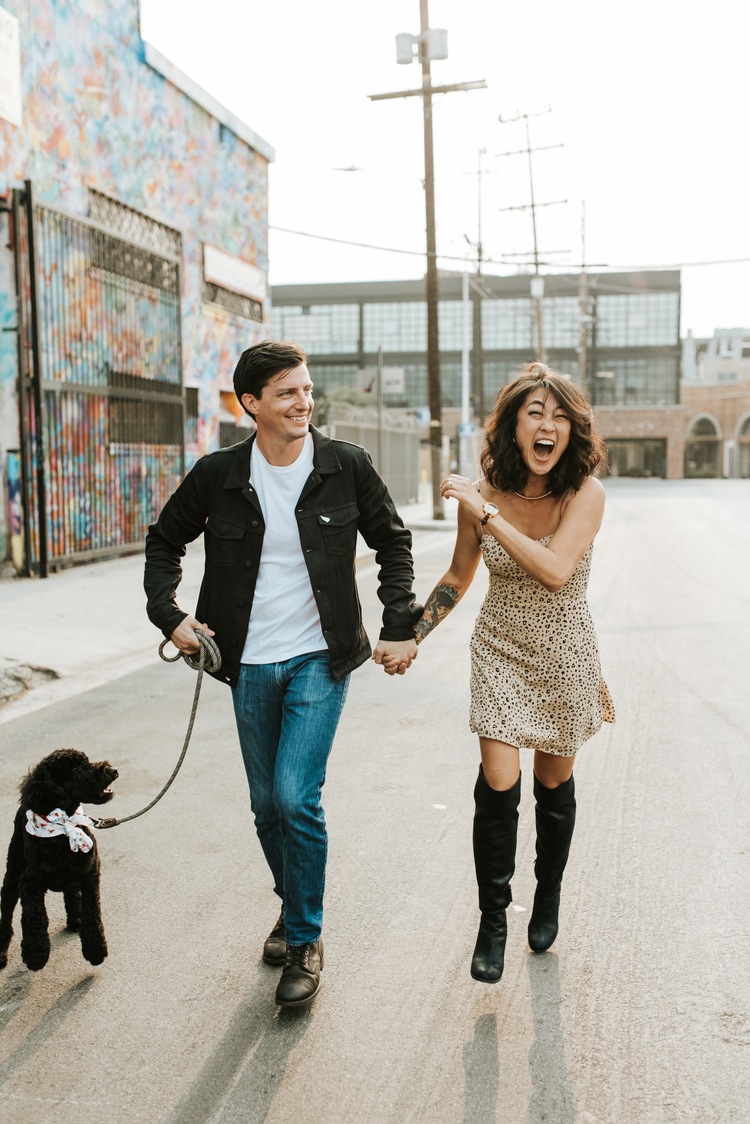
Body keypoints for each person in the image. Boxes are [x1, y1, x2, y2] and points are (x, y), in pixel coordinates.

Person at [144, 340, 420, 1008]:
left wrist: (398, 622)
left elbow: (393, 542)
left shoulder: (344, 466)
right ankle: (293, 904)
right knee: (265, 807)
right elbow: (164, 541)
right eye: (288, 393)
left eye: (307, 390)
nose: (304, 403)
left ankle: (305, 939)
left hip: (319, 657)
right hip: (245, 662)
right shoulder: (218, 474)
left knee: (296, 797)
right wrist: (171, 616)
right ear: (253, 405)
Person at [390, 361, 615, 983]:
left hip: (565, 653)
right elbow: (459, 576)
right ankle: (493, 917)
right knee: (498, 779)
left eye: (560, 417)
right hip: (500, 650)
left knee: (552, 786)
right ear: (514, 426)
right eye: (535, 414)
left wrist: (486, 515)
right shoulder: (485, 494)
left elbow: (554, 570)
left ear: (573, 432)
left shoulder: (584, 494)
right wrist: (412, 633)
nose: (547, 426)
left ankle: (547, 894)